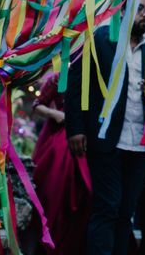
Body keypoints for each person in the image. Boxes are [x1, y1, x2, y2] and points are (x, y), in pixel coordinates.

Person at [65, 0, 145, 255]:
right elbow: (76, 84)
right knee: (107, 207)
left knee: (127, 211)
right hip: (106, 139)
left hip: (141, 143)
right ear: (123, 11)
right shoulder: (100, 39)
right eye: (140, 9)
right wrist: (76, 128)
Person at [32, 73, 91, 254]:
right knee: (54, 187)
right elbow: (37, 104)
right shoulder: (59, 77)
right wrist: (54, 113)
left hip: (90, 137)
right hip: (60, 137)